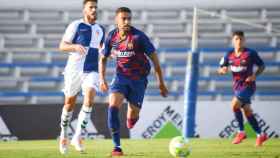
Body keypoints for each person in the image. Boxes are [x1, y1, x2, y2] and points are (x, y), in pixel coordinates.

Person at [99, 7, 169, 156]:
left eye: (129, 18)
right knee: (112, 108)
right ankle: (117, 147)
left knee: (132, 116)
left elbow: (155, 61)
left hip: (138, 80)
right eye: (123, 18)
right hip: (120, 78)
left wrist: (161, 84)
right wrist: (102, 79)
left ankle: (133, 118)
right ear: (116, 20)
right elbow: (103, 58)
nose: (127, 21)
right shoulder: (111, 36)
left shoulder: (139, 37)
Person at [58, 0, 104, 154]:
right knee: (69, 104)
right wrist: (74, 46)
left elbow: (102, 51)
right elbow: (62, 45)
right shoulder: (76, 25)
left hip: (91, 70)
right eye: (91, 7)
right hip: (73, 70)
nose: (94, 10)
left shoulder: (100, 29)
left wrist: (110, 53)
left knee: (90, 98)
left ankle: (77, 136)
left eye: (95, 7)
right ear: (84, 10)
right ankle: (64, 133)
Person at [218, 31, 268, 147]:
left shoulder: (250, 53)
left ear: (244, 40)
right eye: (236, 39)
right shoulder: (229, 54)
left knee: (234, 105)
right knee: (247, 111)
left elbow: (262, 65)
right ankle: (260, 135)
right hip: (237, 87)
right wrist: (223, 70)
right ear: (233, 41)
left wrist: (254, 75)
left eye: (241, 39)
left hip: (248, 86)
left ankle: (241, 132)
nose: (239, 41)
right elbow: (220, 68)